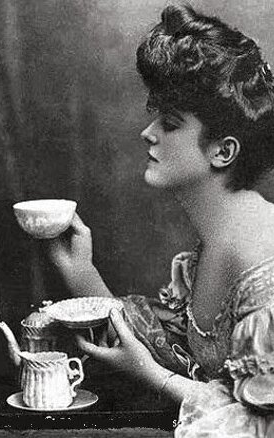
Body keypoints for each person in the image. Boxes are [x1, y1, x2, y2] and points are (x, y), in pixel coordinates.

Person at [45, 5, 274, 437]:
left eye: (169, 123)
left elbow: (263, 427)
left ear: (223, 151)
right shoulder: (218, 238)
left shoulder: (263, 261)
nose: (148, 133)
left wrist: (154, 377)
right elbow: (170, 348)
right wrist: (80, 271)